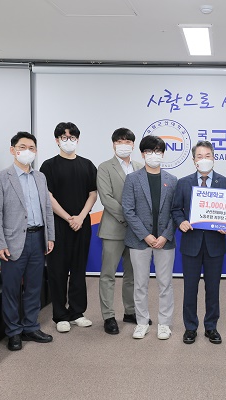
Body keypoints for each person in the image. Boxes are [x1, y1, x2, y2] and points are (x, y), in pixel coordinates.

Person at [0, 131, 55, 351]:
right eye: (22, 147)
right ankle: (14, 332)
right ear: (13, 150)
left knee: (34, 287)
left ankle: (30, 327)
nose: (27, 151)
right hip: (13, 241)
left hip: (38, 238)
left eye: (31, 148)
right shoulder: (0, 178)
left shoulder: (40, 177)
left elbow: (47, 209)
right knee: (11, 289)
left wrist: (50, 236)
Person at [171, 140, 226, 345]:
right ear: (194, 160)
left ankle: (211, 327)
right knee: (190, 288)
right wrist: (181, 222)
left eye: (208, 156)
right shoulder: (183, 183)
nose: (204, 159)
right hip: (191, 243)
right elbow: (176, 209)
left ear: (214, 158)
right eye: (200, 156)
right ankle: (190, 327)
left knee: (213, 288)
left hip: (215, 244)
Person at [40, 122, 97, 333]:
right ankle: (60, 315)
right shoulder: (49, 166)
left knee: (79, 270)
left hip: (82, 224)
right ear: (57, 140)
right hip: (58, 225)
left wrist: (80, 217)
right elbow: (48, 196)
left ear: (77, 140)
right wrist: (67, 218)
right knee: (58, 271)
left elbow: (93, 194)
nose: (69, 141)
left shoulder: (87, 165)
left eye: (72, 137)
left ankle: (77, 312)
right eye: (64, 138)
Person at [122, 135, 178, 340]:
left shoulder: (172, 180)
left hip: (165, 241)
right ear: (142, 154)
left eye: (158, 151)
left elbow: (176, 212)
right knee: (140, 284)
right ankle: (142, 322)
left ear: (163, 154)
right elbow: (128, 210)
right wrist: (145, 235)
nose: (154, 155)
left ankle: (164, 323)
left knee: (165, 284)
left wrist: (165, 235)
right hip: (139, 241)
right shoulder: (132, 179)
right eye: (149, 151)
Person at [97, 128, 144, 335]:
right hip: (113, 228)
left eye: (127, 141)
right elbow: (106, 198)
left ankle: (130, 311)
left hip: (136, 232)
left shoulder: (140, 167)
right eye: (119, 141)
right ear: (113, 144)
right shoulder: (105, 167)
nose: (123, 145)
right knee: (108, 275)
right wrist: (130, 218)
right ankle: (108, 316)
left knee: (132, 275)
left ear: (133, 145)